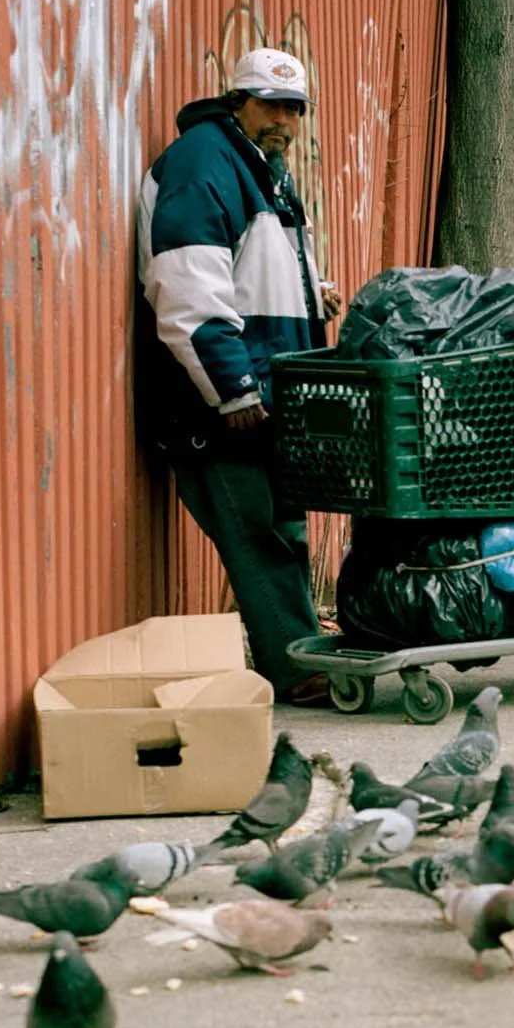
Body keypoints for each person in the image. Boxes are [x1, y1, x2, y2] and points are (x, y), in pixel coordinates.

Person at [137, 47, 340, 705]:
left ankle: (304, 658)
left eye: (293, 109)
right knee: (261, 532)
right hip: (221, 401)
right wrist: (234, 392)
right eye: (269, 104)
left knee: (283, 527)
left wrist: (317, 293)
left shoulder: (262, 168)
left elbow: (251, 270)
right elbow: (188, 293)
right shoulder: (206, 161)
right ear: (237, 102)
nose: (283, 118)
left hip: (262, 386)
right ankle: (298, 671)